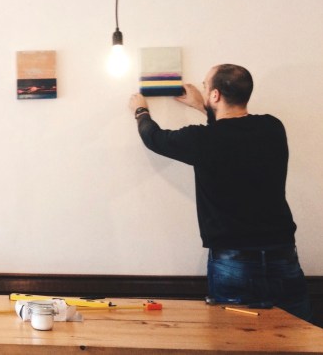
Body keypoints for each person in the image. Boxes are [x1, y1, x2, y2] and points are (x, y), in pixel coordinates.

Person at [129, 64, 312, 322]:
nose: (203, 90)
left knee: (235, 339)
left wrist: (141, 110)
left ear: (215, 95)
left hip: (232, 260)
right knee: (296, 337)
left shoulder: (201, 140)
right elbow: (232, 133)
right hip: (282, 254)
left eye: (205, 86)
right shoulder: (273, 128)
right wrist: (202, 106)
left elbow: (154, 138)